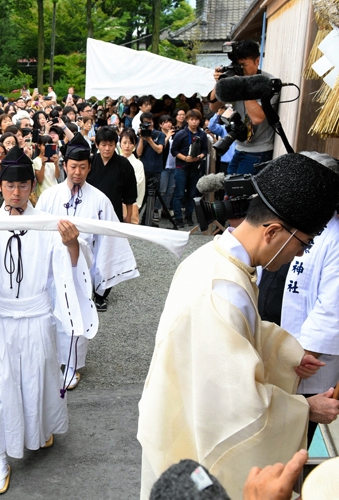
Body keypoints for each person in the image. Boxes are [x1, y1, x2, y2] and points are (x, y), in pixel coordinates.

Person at [137, 153, 339, 499]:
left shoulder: (214, 259)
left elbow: (245, 335)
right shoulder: (222, 292)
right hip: (192, 441)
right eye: (302, 245)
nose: (299, 256)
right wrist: (306, 408)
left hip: (178, 417)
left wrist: (287, 355)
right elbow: (238, 411)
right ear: (273, 231)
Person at [0, 146, 97, 494]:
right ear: (0, 185)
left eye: (24, 185)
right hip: (0, 319)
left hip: (38, 314)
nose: (16, 192)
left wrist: (72, 245)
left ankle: (40, 430)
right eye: (10, 185)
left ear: (32, 186)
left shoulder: (46, 223)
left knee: (39, 379)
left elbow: (71, 264)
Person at [36, 134, 138, 386]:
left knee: (76, 313)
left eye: (83, 167)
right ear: (66, 165)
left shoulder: (100, 199)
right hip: (51, 267)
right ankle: (49, 362)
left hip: (81, 267)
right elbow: (37, 234)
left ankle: (72, 365)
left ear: (89, 167)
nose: (78, 172)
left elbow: (109, 237)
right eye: (73, 167)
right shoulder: (50, 196)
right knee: (50, 314)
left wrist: (101, 274)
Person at [280, 153, 339, 448]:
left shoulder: (335, 234)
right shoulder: (300, 223)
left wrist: (299, 355)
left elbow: (332, 308)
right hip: (284, 354)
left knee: (293, 444)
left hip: (307, 361)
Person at [210, 40, 278, 175]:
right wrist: (220, 83)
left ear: (257, 61)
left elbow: (257, 118)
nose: (241, 69)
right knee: (229, 193)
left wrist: (242, 84)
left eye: (244, 65)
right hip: (239, 147)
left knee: (242, 194)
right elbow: (213, 106)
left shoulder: (267, 82)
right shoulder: (235, 78)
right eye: (238, 65)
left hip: (259, 151)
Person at [87, 127, 137, 223]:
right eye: (103, 145)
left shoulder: (124, 164)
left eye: (111, 145)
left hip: (114, 210)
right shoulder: (90, 162)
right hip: (91, 210)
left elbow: (130, 193)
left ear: (115, 145)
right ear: (97, 145)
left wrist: (128, 216)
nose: (107, 148)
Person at [169, 109, 209, 227]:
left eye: (196, 119)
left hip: (196, 167)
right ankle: (178, 218)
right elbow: (174, 150)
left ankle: (189, 216)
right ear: (187, 120)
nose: (194, 122)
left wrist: (200, 156)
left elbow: (205, 149)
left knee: (192, 193)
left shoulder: (202, 134)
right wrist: (185, 158)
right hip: (182, 166)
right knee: (179, 193)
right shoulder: (181, 134)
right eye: (191, 119)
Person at [135, 112, 166, 222]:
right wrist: (142, 138)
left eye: (150, 122)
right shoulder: (141, 136)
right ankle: (135, 217)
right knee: (142, 195)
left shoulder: (160, 135)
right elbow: (138, 153)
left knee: (153, 195)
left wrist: (150, 140)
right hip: (144, 169)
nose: (149, 125)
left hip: (156, 169)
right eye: (146, 123)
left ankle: (147, 219)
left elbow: (159, 150)